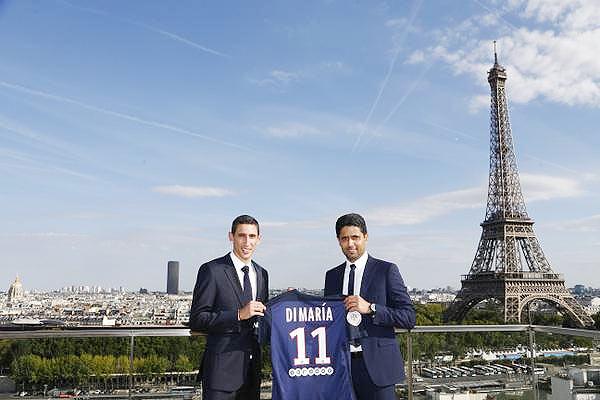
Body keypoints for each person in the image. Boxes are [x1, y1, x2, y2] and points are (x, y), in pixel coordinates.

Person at [324, 213, 416, 400]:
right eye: (345, 238)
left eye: (355, 237)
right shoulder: (331, 276)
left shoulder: (386, 270)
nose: (350, 244)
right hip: (342, 366)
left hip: (377, 368)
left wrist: (372, 308)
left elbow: (408, 317)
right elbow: (326, 317)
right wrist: (297, 301)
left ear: (366, 236)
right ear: (338, 241)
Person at [189, 215, 269, 400]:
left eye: (252, 236)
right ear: (231, 236)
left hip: (252, 373)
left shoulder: (262, 273)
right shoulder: (212, 270)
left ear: (259, 239)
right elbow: (198, 319)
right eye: (241, 235)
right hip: (221, 374)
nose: (247, 242)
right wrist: (238, 315)